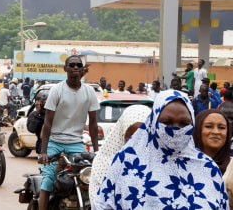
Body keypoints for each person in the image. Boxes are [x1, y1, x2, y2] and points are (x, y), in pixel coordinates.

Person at [93, 90, 228, 210]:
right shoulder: (127, 163)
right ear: (153, 123)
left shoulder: (208, 168)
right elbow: (103, 204)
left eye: (184, 124)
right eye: (167, 122)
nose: (175, 130)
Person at [38, 55, 100, 210]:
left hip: (76, 144)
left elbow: (93, 124)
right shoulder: (57, 90)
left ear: (82, 69)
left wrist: (97, 151)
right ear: (65, 69)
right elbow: (48, 123)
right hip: (54, 142)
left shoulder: (89, 92)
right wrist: (44, 151)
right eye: (72, 65)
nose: (76, 68)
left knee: (88, 179)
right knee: (47, 180)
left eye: (79, 65)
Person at [88, 104, 151, 205]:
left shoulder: (161, 163)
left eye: (144, 136)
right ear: (122, 134)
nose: (138, 142)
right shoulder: (104, 164)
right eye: (131, 137)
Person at [193, 109, 231, 176]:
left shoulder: (231, 168)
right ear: (197, 130)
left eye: (221, 127)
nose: (216, 132)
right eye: (208, 126)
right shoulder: (183, 165)